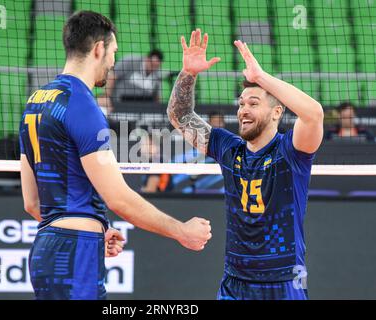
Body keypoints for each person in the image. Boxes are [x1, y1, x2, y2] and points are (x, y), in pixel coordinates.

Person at [19, 11, 211, 300]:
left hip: (45, 251)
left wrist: (97, 228)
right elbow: (119, 198)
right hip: (75, 252)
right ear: (99, 48)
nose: (113, 63)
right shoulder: (82, 105)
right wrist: (181, 230)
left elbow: (32, 203)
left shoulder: (35, 102)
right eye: (113, 53)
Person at [167, 29, 324, 300]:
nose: (243, 110)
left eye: (253, 103)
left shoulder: (291, 151)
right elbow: (179, 115)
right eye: (241, 104)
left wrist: (261, 77)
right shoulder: (228, 148)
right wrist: (188, 73)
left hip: (284, 280)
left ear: (277, 112)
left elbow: (314, 115)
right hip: (235, 281)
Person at [97, 49, 164, 111]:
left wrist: (158, 110)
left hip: (143, 109)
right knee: (123, 124)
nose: (154, 68)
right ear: (147, 59)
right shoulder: (130, 61)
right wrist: (107, 96)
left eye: (156, 66)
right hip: (121, 105)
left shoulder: (157, 74)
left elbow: (157, 96)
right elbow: (112, 77)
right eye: (152, 65)